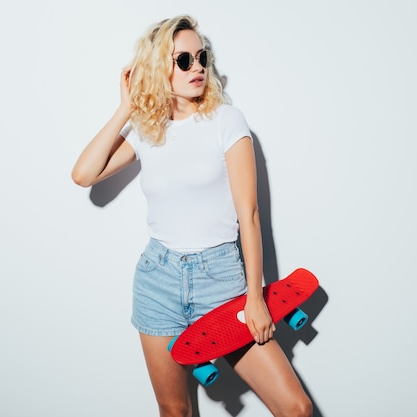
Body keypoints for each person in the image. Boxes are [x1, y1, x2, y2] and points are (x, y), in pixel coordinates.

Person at [72, 15, 312, 417]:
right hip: (158, 282)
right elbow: (84, 175)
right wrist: (126, 108)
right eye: (183, 60)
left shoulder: (226, 121)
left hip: (222, 282)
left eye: (201, 57)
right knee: (175, 411)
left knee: (296, 408)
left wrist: (255, 297)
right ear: (157, 67)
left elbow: (249, 215)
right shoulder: (148, 130)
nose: (198, 67)